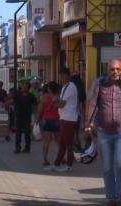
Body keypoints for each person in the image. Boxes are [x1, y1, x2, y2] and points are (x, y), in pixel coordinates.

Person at [86, 59, 121, 206]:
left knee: (120, 163)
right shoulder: (99, 84)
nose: (115, 72)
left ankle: (119, 194)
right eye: (112, 69)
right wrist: (88, 124)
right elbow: (93, 103)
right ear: (107, 70)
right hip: (103, 132)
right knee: (107, 167)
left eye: (118, 69)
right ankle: (112, 197)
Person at [52, 68, 79, 172]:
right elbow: (61, 101)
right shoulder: (65, 87)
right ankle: (57, 163)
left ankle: (69, 165)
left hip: (69, 118)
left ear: (67, 76)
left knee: (68, 144)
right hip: (64, 117)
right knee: (62, 143)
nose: (61, 78)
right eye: (60, 76)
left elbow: (62, 104)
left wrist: (55, 104)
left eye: (62, 76)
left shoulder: (71, 87)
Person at [36, 81, 60, 171]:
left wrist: (37, 120)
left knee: (47, 141)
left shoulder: (43, 97)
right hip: (57, 119)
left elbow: (40, 110)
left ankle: (45, 159)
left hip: (46, 120)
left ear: (49, 89)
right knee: (58, 141)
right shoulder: (58, 97)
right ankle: (61, 158)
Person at [8, 82, 37, 153]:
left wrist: (36, 115)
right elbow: (11, 99)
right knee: (18, 132)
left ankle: (27, 147)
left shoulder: (31, 96)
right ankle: (18, 147)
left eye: (25, 87)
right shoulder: (18, 95)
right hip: (18, 116)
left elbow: (35, 105)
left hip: (27, 116)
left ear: (28, 88)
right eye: (23, 86)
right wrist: (6, 103)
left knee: (27, 132)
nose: (23, 88)